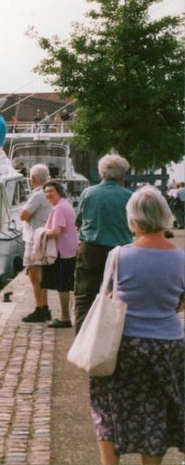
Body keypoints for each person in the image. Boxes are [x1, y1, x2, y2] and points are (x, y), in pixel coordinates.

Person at [88, 185, 184, 464]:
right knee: (154, 411)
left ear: (132, 219)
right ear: (164, 215)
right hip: (167, 344)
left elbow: (107, 295)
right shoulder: (180, 258)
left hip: (124, 344)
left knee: (108, 406)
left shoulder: (119, 255)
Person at [73, 154, 133, 333]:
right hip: (121, 251)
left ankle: (83, 338)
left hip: (91, 249)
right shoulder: (129, 196)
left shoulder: (88, 193)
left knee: (85, 295)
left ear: (101, 174)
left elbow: (79, 221)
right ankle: (113, 336)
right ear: (122, 175)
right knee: (119, 296)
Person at [40, 180, 78, 328]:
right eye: (46, 192)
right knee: (66, 284)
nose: (48, 194)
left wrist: (41, 233)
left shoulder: (59, 209)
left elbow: (56, 231)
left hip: (62, 251)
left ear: (59, 192)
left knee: (62, 285)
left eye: (51, 191)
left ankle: (65, 317)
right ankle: (66, 315)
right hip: (69, 250)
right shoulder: (65, 204)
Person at [21, 165, 54, 323]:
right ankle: (45, 307)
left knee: (35, 275)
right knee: (44, 275)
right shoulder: (51, 192)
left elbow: (23, 215)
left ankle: (39, 308)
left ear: (33, 178)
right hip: (45, 237)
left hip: (34, 238)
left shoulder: (37, 195)